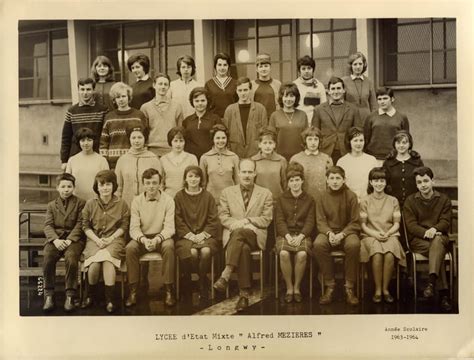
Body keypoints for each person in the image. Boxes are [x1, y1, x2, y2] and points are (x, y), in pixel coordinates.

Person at [213, 159, 273, 311]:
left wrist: (247, 221)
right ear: (238, 173)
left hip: (255, 233)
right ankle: (244, 294)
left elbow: (267, 219)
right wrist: (237, 224)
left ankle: (226, 274)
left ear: (255, 173)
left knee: (241, 235)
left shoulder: (265, 193)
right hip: (235, 233)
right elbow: (223, 216)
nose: (247, 175)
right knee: (244, 249)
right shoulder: (227, 192)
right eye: (244, 172)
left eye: (250, 172)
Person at [403, 166, 453, 312]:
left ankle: (431, 283)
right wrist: (428, 233)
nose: (423, 185)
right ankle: (444, 295)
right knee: (438, 251)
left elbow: (445, 221)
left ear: (433, 181)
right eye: (419, 182)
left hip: (440, 237)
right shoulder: (410, 201)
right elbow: (411, 226)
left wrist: (435, 229)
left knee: (437, 244)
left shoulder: (443, 200)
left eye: (426, 181)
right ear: (416, 184)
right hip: (419, 240)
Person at [126, 168, 176, 307]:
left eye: (154, 183)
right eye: (147, 183)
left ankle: (168, 290)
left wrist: (157, 239)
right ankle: (133, 290)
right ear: (143, 184)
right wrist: (143, 240)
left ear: (160, 183)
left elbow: (170, 228)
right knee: (130, 248)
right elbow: (134, 228)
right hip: (142, 237)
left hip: (161, 237)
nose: (151, 186)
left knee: (169, 246)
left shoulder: (168, 200)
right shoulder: (136, 201)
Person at [81, 170, 130, 313]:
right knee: (95, 264)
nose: (105, 188)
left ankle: (110, 299)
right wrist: (97, 240)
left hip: (115, 239)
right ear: (97, 187)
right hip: (94, 239)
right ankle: (90, 296)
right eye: (101, 185)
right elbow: (85, 225)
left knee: (108, 261)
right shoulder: (90, 203)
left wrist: (110, 239)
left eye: (108, 184)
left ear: (114, 185)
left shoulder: (121, 203)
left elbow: (124, 226)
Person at [313, 166, 361, 306]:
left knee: (354, 245)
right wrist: (329, 233)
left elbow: (355, 221)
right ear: (327, 180)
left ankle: (349, 287)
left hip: (347, 232)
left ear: (344, 179)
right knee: (318, 244)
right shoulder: (321, 197)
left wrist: (342, 234)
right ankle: (330, 285)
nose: (335, 181)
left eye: (338, 178)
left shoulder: (351, 196)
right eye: (332, 178)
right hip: (327, 232)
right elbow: (320, 221)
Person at [359, 167, 406, 303]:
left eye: (382, 180)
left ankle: (386, 289)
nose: (379, 183)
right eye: (375, 180)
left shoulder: (393, 201)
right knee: (377, 253)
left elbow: (397, 223)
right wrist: (375, 234)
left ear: (386, 183)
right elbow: (363, 225)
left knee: (390, 252)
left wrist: (388, 233)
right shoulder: (365, 201)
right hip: (369, 235)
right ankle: (378, 290)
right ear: (371, 182)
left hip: (390, 234)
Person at [42, 173, 86, 312]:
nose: (66, 189)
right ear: (57, 188)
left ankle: (70, 295)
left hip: (74, 240)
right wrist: (55, 240)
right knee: (48, 257)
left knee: (71, 258)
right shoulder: (51, 205)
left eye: (69, 186)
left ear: (73, 188)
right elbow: (48, 225)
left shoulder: (80, 203)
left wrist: (69, 240)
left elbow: (80, 224)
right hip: (55, 239)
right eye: (63, 186)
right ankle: (49, 295)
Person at [174, 166, 220, 300]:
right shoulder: (179, 196)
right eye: (190, 176)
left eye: (196, 176)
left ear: (201, 179)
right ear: (185, 179)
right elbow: (178, 219)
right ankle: (197, 280)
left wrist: (202, 235)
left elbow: (213, 219)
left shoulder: (208, 196)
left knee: (205, 251)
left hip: (206, 236)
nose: (193, 179)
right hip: (185, 237)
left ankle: (201, 284)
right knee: (192, 252)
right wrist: (190, 236)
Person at [274, 162, 315, 303]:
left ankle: (297, 288)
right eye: (291, 180)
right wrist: (287, 236)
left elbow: (310, 222)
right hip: (285, 234)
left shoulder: (310, 199)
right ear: (288, 183)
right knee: (284, 253)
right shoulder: (281, 199)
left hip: (303, 235)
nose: (295, 183)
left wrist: (301, 237)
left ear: (302, 181)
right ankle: (289, 287)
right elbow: (279, 221)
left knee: (302, 254)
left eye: (297, 180)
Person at [60, 78, 107, 171]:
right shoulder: (72, 111)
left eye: (88, 89)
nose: (85, 93)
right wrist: (64, 160)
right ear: (78, 90)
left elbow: (105, 135)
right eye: (82, 89)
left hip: (96, 155)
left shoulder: (102, 110)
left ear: (93, 90)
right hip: (76, 155)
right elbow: (66, 137)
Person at [312, 76, 362, 164]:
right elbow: (315, 133)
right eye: (333, 89)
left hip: (346, 151)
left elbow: (358, 132)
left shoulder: (353, 109)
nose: (336, 91)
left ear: (344, 90)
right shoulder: (318, 109)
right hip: (325, 151)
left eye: (339, 88)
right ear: (328, 91)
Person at [99, 82, 147, 169]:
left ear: (129, 97)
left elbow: (145, 138)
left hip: (135, 160)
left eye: (123, 96)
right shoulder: (109, 117)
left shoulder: (138, 115)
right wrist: (105, 162)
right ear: (114, 100)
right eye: (118, 97)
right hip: (113, 163)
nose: (121, 99)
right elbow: (104, 142)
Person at [114, 126, 163, 207]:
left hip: (149, 205)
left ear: (145, 139)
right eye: (133, 138)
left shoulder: (153, 159)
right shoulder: (122, 160)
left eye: (140, 137)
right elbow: (118, 186)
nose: (136, 141)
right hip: (127, 204)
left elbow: (160, 185)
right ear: (129, 139)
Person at [140, 73, 184, 157]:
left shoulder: (177, 106)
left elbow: (180, 130)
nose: (163, 87)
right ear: (154, 85)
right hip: (152, 151)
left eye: (165, 84)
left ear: (169, 87)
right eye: (160, 84)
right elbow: (143, 132)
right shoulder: (145, 107)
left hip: (172, 151)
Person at [223, 77, 268, 158]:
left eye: (245, 90)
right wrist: (229, 153)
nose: (243, 93)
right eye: (240, 90)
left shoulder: (260, 109)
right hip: (235, 154)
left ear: (250, 90)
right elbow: (225, 134)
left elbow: (264, 134)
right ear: (236, 91)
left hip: (255, 154)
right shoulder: (229, 110)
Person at [364, 87, 410, 164]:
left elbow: (406, 139)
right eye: (379, 99)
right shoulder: (371, 117)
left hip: (394, 158)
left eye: (385, 98)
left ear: (392, 99)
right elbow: (366, 138)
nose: (382, 102)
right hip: (373, 158)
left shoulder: (402, 117)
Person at [290, 127, 333, 202]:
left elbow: (330, 184)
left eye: (316, 139)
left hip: (321, 200)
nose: (313, 142)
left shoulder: (327, 159)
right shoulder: (296, 159)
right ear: (305, 141)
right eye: (310, 139)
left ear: (320, 141)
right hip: (302, 201)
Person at [66, 127, 109, 201]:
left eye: (89, 140)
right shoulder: (72, 160)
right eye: (82, 140)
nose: (86, 143)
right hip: (76, 202)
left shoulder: (102, 160)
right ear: (78, 142)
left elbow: (107, 183)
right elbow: (67, 183)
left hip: (96, 202)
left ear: (93, 141)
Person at [200, 124, 240, 203]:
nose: (220, 141)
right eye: (217, 138)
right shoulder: (205, 157)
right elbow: (203, 183)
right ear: (213, 139)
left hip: (231, 199)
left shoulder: (234, 157)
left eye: (223, 138)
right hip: (211, 200)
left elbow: (237, 181)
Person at [383, 130, 424, 207]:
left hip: (414, 204)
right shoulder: (388, 163)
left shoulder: (417, 162)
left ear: (409, 144)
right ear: (394, 144)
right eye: (398, 143)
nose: (401, 145)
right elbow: (385, 184)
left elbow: (421, 182)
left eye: (404, 143)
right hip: (393, 204)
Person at [336, 127, 378, 201]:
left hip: (368, 201)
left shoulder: (372, 160)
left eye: (361, 140)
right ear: (349, 142)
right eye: (355, 140)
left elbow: (376, 182)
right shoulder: (342, 162)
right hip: (348, 201)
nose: (358, 143)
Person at [269, 82, 307, 161]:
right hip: (279, 157)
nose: (288, 99)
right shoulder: (275, 115)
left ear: (296, 98)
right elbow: (271, 139)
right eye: (285, 96)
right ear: (281, 97)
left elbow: (306, 138)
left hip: (299, 157)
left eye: (292, 96)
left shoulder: (302, 115)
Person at [182, 87, 221, 160]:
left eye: (203, 100)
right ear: (192, 102)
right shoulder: (187, 121)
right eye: (197, 101)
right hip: (191, 159)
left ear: (207, 101)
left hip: (210, 159)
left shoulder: (215, 119)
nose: (200, 103)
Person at [251, 127, 287, 201]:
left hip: (277, 200)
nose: (267, 146)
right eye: (265, 143)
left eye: (270, 143)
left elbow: (285, 183)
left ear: (274, 145)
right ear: (259, 145)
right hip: (259, 200)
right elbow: (251, 184)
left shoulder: (281, 160)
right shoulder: (253, 160)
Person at [160, 126, 198, 197]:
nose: (178, 144)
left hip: (187, 197)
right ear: (170, 142)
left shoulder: (192, 158)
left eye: (181, 141)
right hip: (168, 198)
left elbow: (196, 180)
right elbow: (161, 183)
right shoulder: (163, 159)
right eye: (175, 141)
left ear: (185, 142)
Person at [342, 52, 377, 123]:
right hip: (350, 119)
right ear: (350, 66)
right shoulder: (344, 81)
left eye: (360, 64)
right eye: (355, 64)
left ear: (364, 65)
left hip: (366, 119)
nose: (358, 67)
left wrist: (374, 120)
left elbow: (374, 105)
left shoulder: (369, 81)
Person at [293, 55, 327, 124]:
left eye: (309, 68)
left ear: (313, 69)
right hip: (298, 122)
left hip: (314, 122)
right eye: (303, 69)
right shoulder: (294, 85)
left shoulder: (319, 86)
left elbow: (323, 107)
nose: (306, 71)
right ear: (299, 71)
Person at [205, 52, 238, 118]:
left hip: (232, 118)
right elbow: (206, 104)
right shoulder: (209, 84)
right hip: (214, 119)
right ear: (215, 66)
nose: (222, 68)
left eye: (225, 65)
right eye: (219, 65)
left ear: (228, 66)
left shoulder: (235, 83)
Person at [251, 53, 281, 118]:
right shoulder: (251, 85)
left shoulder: (277, 84)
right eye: (260, 67)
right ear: (257, 69)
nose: (263, 69)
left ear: (270, 67)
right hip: (257, 119)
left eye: (266, 66)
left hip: (273, 119)